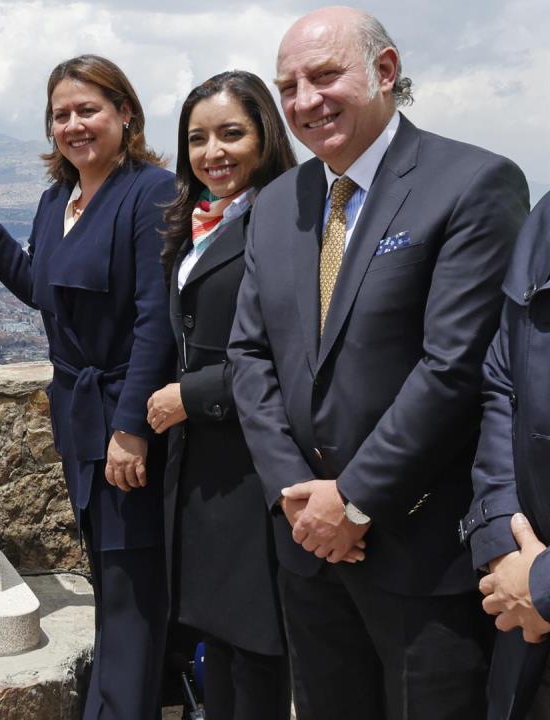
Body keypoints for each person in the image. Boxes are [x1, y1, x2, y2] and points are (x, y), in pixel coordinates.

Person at [227, 7, 528, 719]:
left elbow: (453, 366)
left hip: (420, 551)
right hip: (307, 548)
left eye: (325, 76)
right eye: (288, 85)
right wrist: (295, 493)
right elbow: (248, 353)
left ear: (384, 71)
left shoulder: (472, 184)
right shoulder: (277, 204)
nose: (304, 102)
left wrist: (354, 498)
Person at [0, 53, 176, 720]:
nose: (75, 124)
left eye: (89, 109)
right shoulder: (59, 201)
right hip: (79, 416)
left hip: (122, 418)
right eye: (62, 114)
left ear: (125, 113)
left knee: (132, 590)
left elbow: (155, 318)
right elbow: (41, 291)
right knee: (109, 584)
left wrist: (130, 427)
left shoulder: (150, 191)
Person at [145, 70, 296, 720]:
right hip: (205, 468)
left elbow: (295, 353)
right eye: (198, 138)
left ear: (265, 135)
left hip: (251, 462)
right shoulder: (203, 220)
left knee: (257, 653)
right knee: (222, 647)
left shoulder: (286, 218)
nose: (214, 152)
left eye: (231, 133)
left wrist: (191, 393)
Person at [464, 193, 550, 720]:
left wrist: (541, 586)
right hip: (522, 609)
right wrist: (504, 543)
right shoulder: (544, 221)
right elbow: (502, 385)